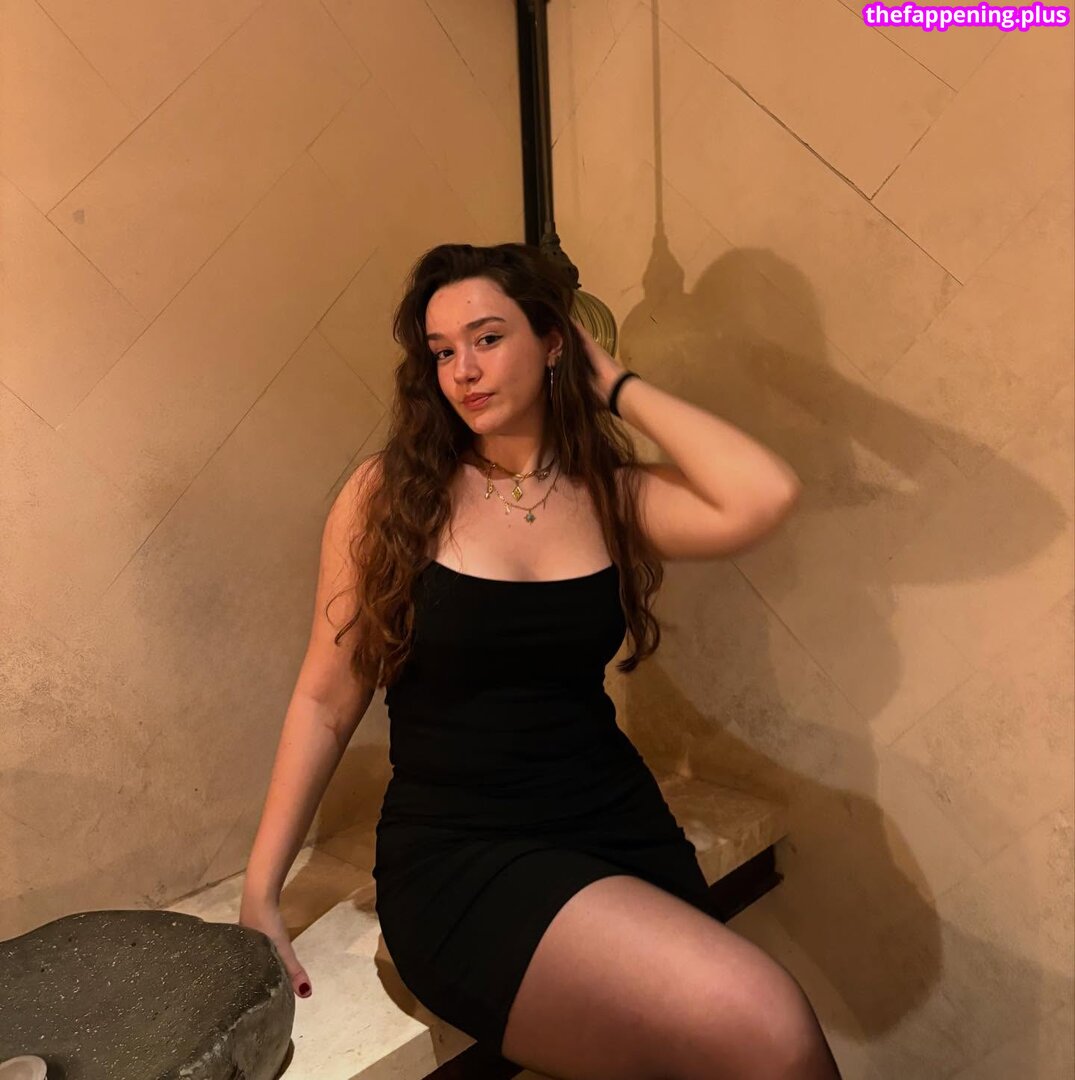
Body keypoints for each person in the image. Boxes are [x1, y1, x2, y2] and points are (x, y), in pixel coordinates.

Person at [239, 243, 842, 1080]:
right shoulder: (389, 495)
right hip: (464, 855)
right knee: (767, 1021)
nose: (462, 371)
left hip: (613, 821)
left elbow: (763, 492)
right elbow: (325, 699)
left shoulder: (610, 494)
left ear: (553, 340)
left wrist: (613, 382)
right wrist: (261, 893)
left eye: (487, 338)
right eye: (441, 352)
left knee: (738, 1048)